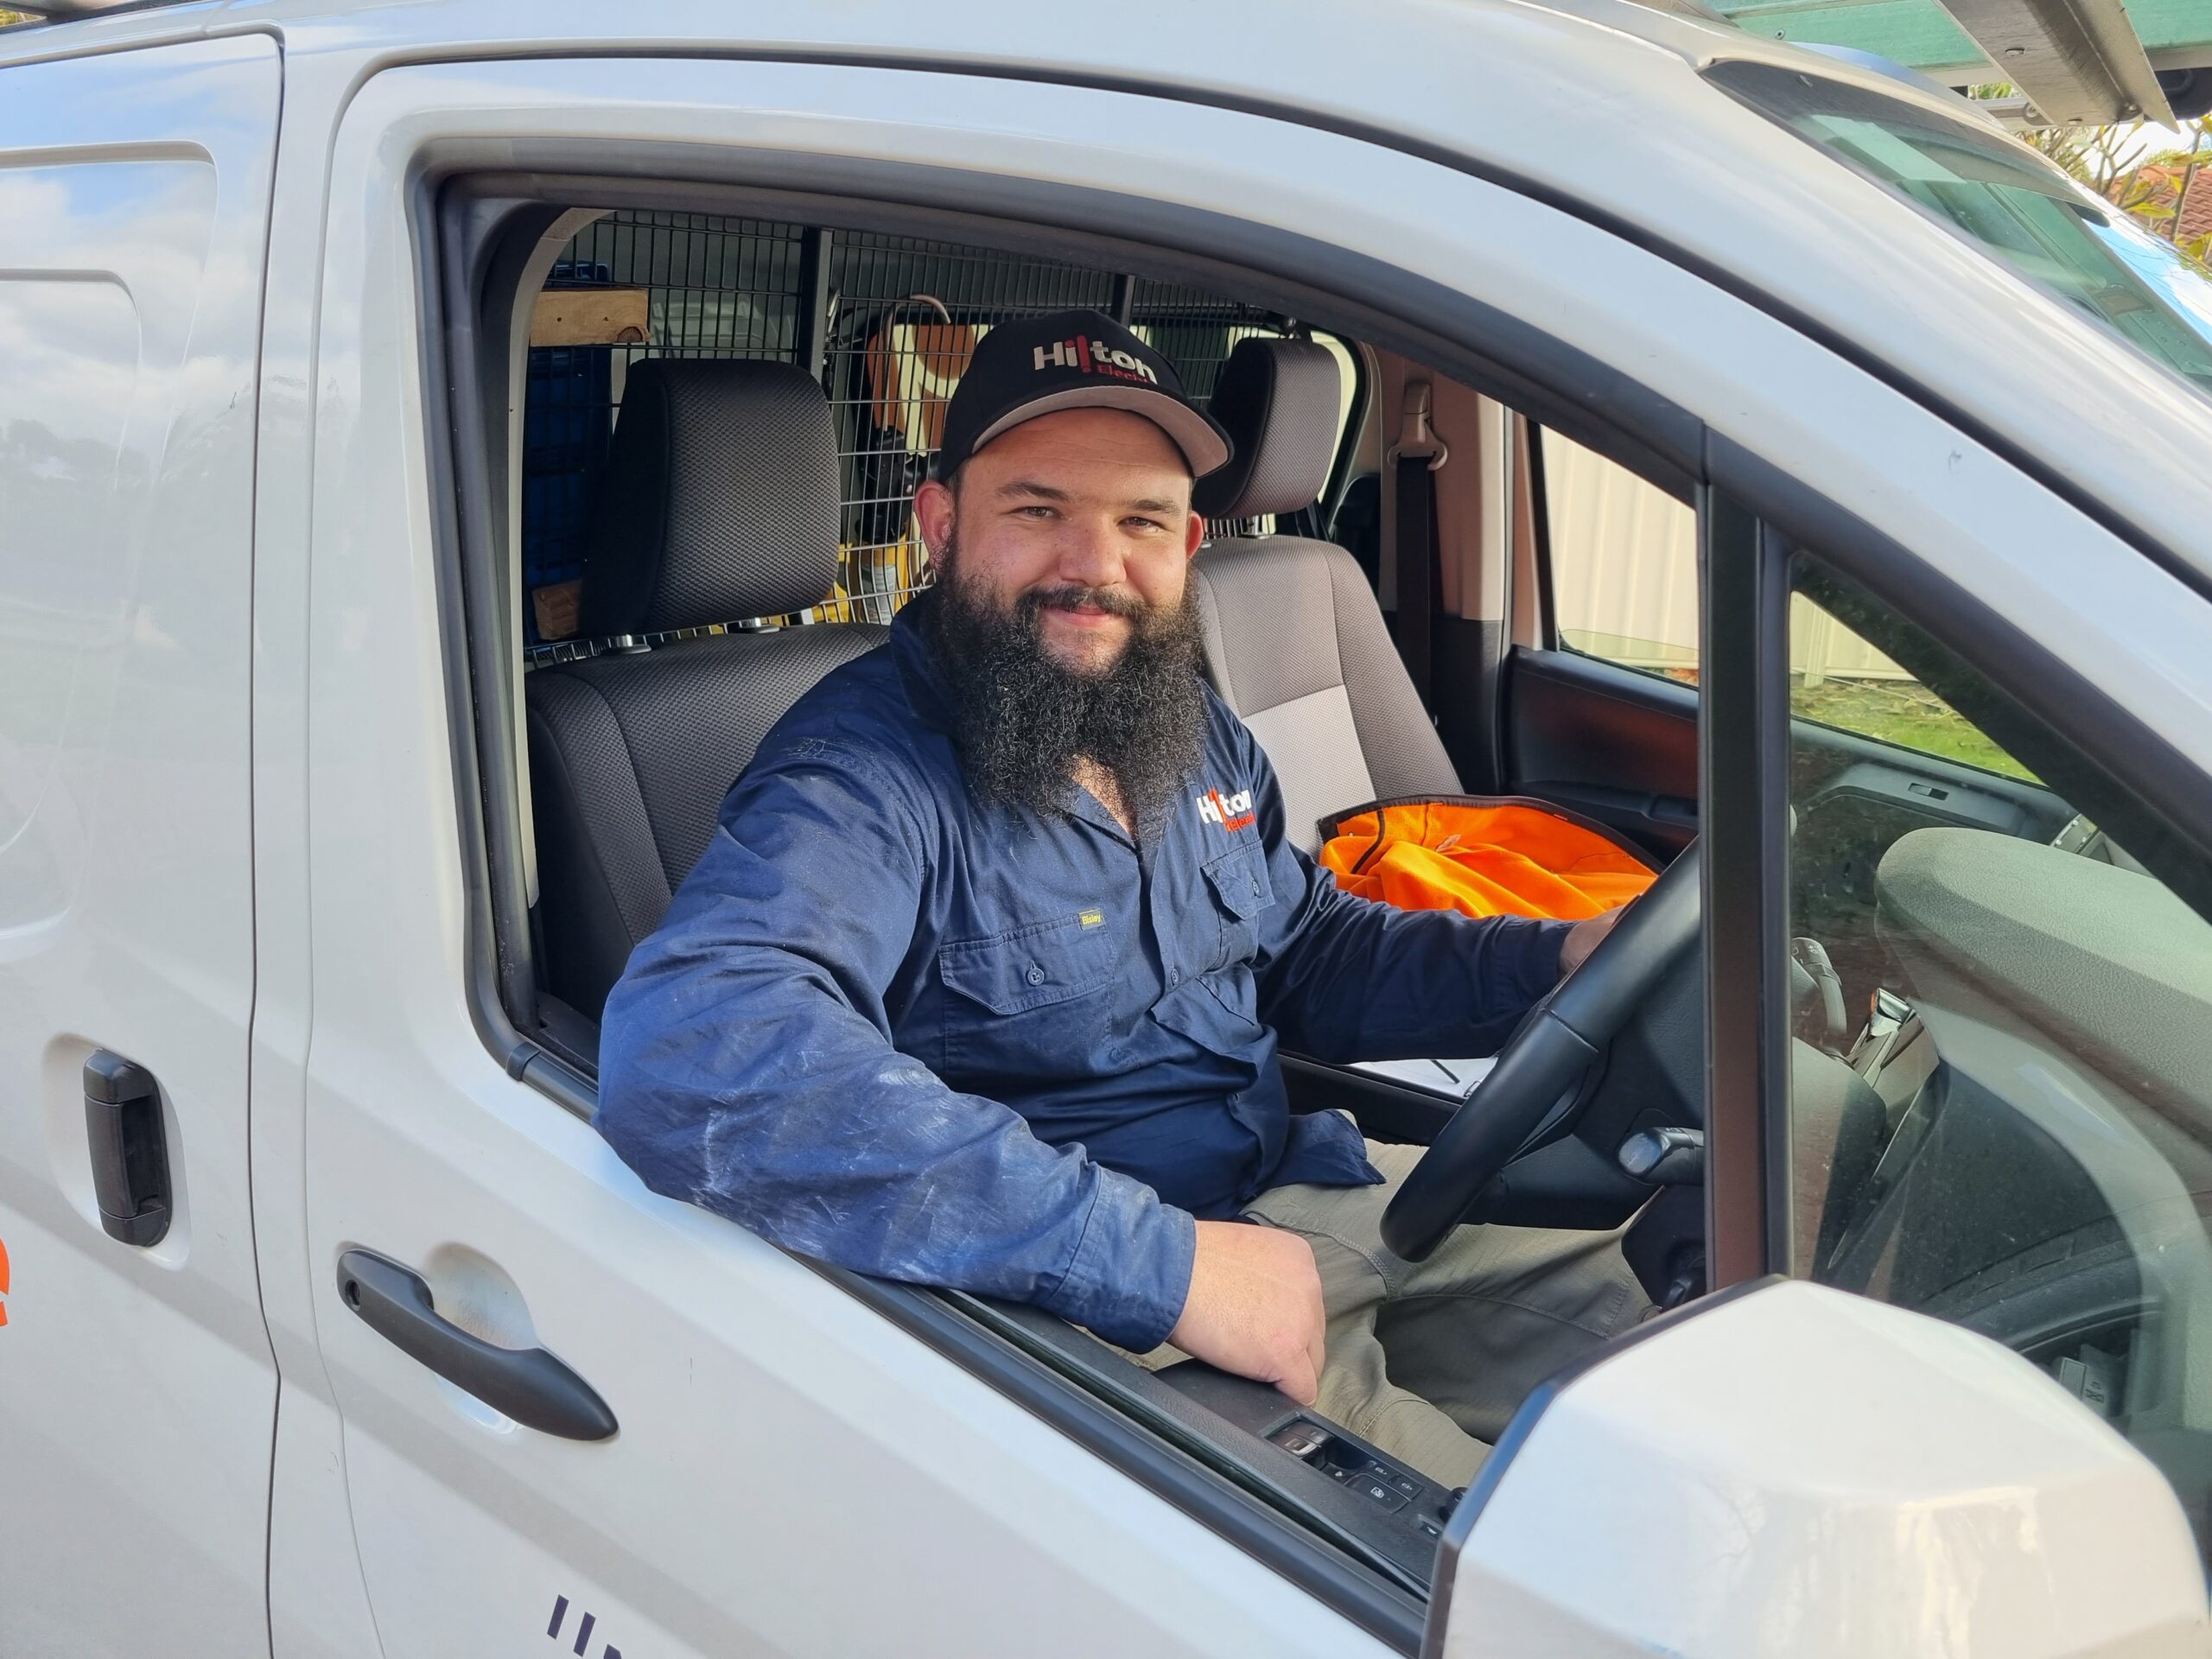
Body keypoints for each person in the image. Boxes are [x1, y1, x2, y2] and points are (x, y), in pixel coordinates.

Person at [597, 310, 1647, 1483]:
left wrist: (1558, 963)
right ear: (940, 524)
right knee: (1524, 1549)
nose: (1094, 566)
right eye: (1037, 511)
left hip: (1317, 1191)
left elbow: (1305, 950)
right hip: (1117, 1324)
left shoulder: (1181, 719)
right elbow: (697, 1044)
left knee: (1680, 1335)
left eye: (1140, 521)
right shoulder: (861, 777)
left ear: (1189, 541)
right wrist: (1161, 1264)